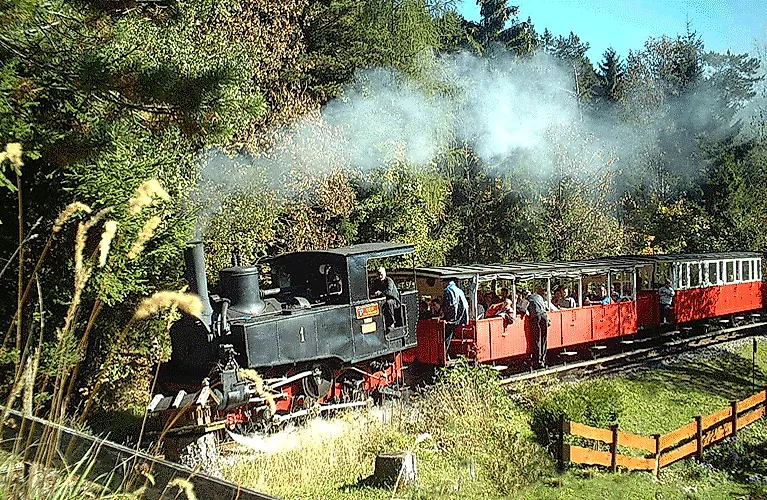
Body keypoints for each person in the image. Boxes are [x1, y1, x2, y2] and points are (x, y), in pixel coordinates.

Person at [442, 278, 469, 356]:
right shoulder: (459, 290)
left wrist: (447, 319)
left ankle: (444, 355)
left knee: (445, 337)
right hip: (460, 318)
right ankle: (447, 355)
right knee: (449, 336)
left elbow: (450, 306)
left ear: (446, 282)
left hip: (452, 319)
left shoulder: (448, 290)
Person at [527, 288, 549, 368]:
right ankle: (543, 359)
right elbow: (546, 308)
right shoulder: (539, 297)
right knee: (544, 338)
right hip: (544, 316)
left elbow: (522, 309)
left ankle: (538, 361)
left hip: (536, 317)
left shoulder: (527, 299)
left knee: (537, 339)